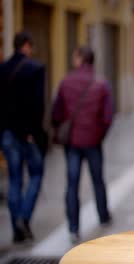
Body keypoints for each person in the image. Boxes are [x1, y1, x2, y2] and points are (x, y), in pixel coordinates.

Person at [52, 46, 113, 243]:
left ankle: (73, 228)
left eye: (74, 56)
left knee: (72, 184)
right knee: (98, 181)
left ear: (80, 59)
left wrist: (59, 130)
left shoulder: (66, 81)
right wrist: (99, 134)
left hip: (73, 143)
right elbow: (108, 116)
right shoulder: (101, 83)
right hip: (93, 142)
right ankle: (103, 217)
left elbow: (56, 113)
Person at [0, 31, 47, 244]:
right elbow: (38, 105)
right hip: (27, 134)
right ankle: (24, 218)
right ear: (27, 46)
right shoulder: (35, 69)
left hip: (8, 133)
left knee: (15, 180)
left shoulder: (2, 69)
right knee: (36, 173)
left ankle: (16, 229)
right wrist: (35, 133)